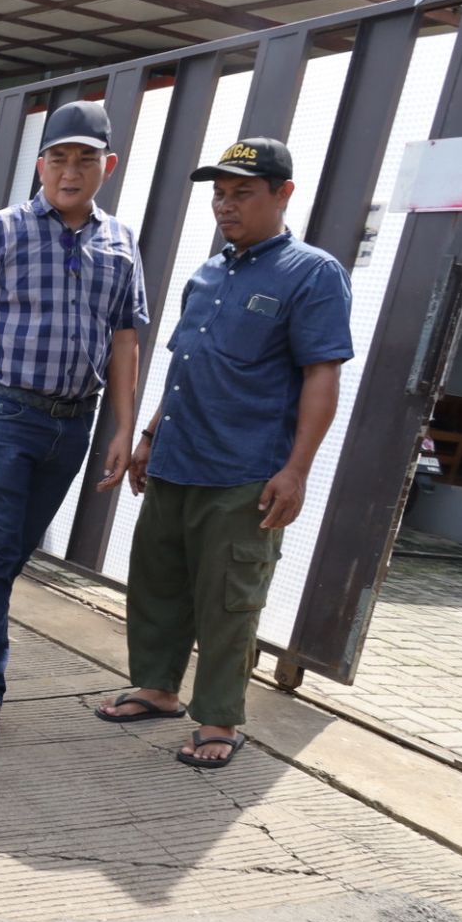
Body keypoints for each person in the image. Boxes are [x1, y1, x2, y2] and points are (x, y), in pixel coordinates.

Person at [95, 138, 352, 769]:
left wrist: (296, 471)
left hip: (244, 474)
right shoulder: (208, 274)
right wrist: (151, 436)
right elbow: (186, 365)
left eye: (242, 193)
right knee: (159, 584)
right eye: (219, 193)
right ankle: (157, 689)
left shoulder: (312, 274)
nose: (225, 206)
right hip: (178, 460)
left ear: (282, 193)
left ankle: (219, 720)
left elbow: (322, 376)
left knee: (230, 599)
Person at [0, 101, 148, 748]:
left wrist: (123, 428)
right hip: (0, 412)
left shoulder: (120, 242)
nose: (70, 172)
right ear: (41, 164)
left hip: (71, 423)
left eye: (85, 160)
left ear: (107, 166)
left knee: (13, 550)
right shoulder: (1, 231)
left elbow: (126, 342)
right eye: (59, 158)